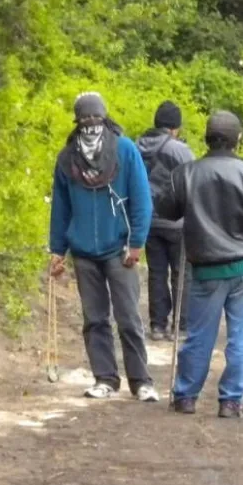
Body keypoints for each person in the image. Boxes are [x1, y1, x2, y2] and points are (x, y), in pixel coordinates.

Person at [157, 111, 243, 418]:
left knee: (200, 335)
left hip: (205, 268)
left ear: (207, 138)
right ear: (238, 140)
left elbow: (166, 209)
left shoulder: (186, 174)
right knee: (241, 338)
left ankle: (186, 396)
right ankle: (231, 401)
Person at [48, 92, 160, 402]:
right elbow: (60, 208)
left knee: (128, 317)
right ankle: (105, 379)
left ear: (105, 119)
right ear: (77, 122)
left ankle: (141, 381)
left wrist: (136, 242)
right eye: (85, 120)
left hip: (120, 249)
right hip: (83, 251)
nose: (91, 125)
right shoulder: (67, 158)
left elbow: (142, 199)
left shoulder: (125, 150)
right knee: (94, 319)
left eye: (95, 118)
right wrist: (57, 250)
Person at [135, 101, 196, 342]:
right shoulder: (180, 150)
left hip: (148, 221)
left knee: (156, 273)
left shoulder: (137, 146)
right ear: (174, 128)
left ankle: (157, 325)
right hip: (177, 222)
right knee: (182, 274)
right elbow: (194, 182)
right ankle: (180, 326)